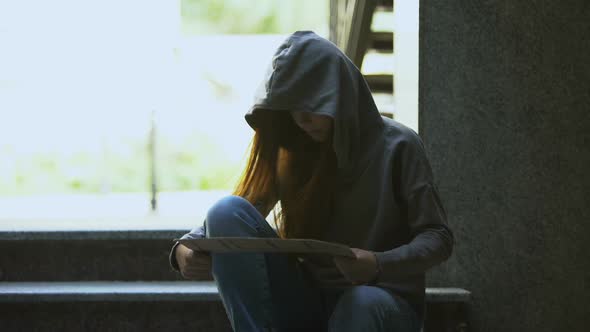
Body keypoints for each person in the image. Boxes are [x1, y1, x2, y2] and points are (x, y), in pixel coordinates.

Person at [169, 31, 453, 332]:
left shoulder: (400, 146)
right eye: (293, 109)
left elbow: (438, 237)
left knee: (360, 302)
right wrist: (183, 248)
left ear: (339, 97)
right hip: (307, 302)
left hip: (382, 302)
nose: (301, 120)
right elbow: (241, 211)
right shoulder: (297, 145)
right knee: (225, 210)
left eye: (312, 107)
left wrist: (379, 263)